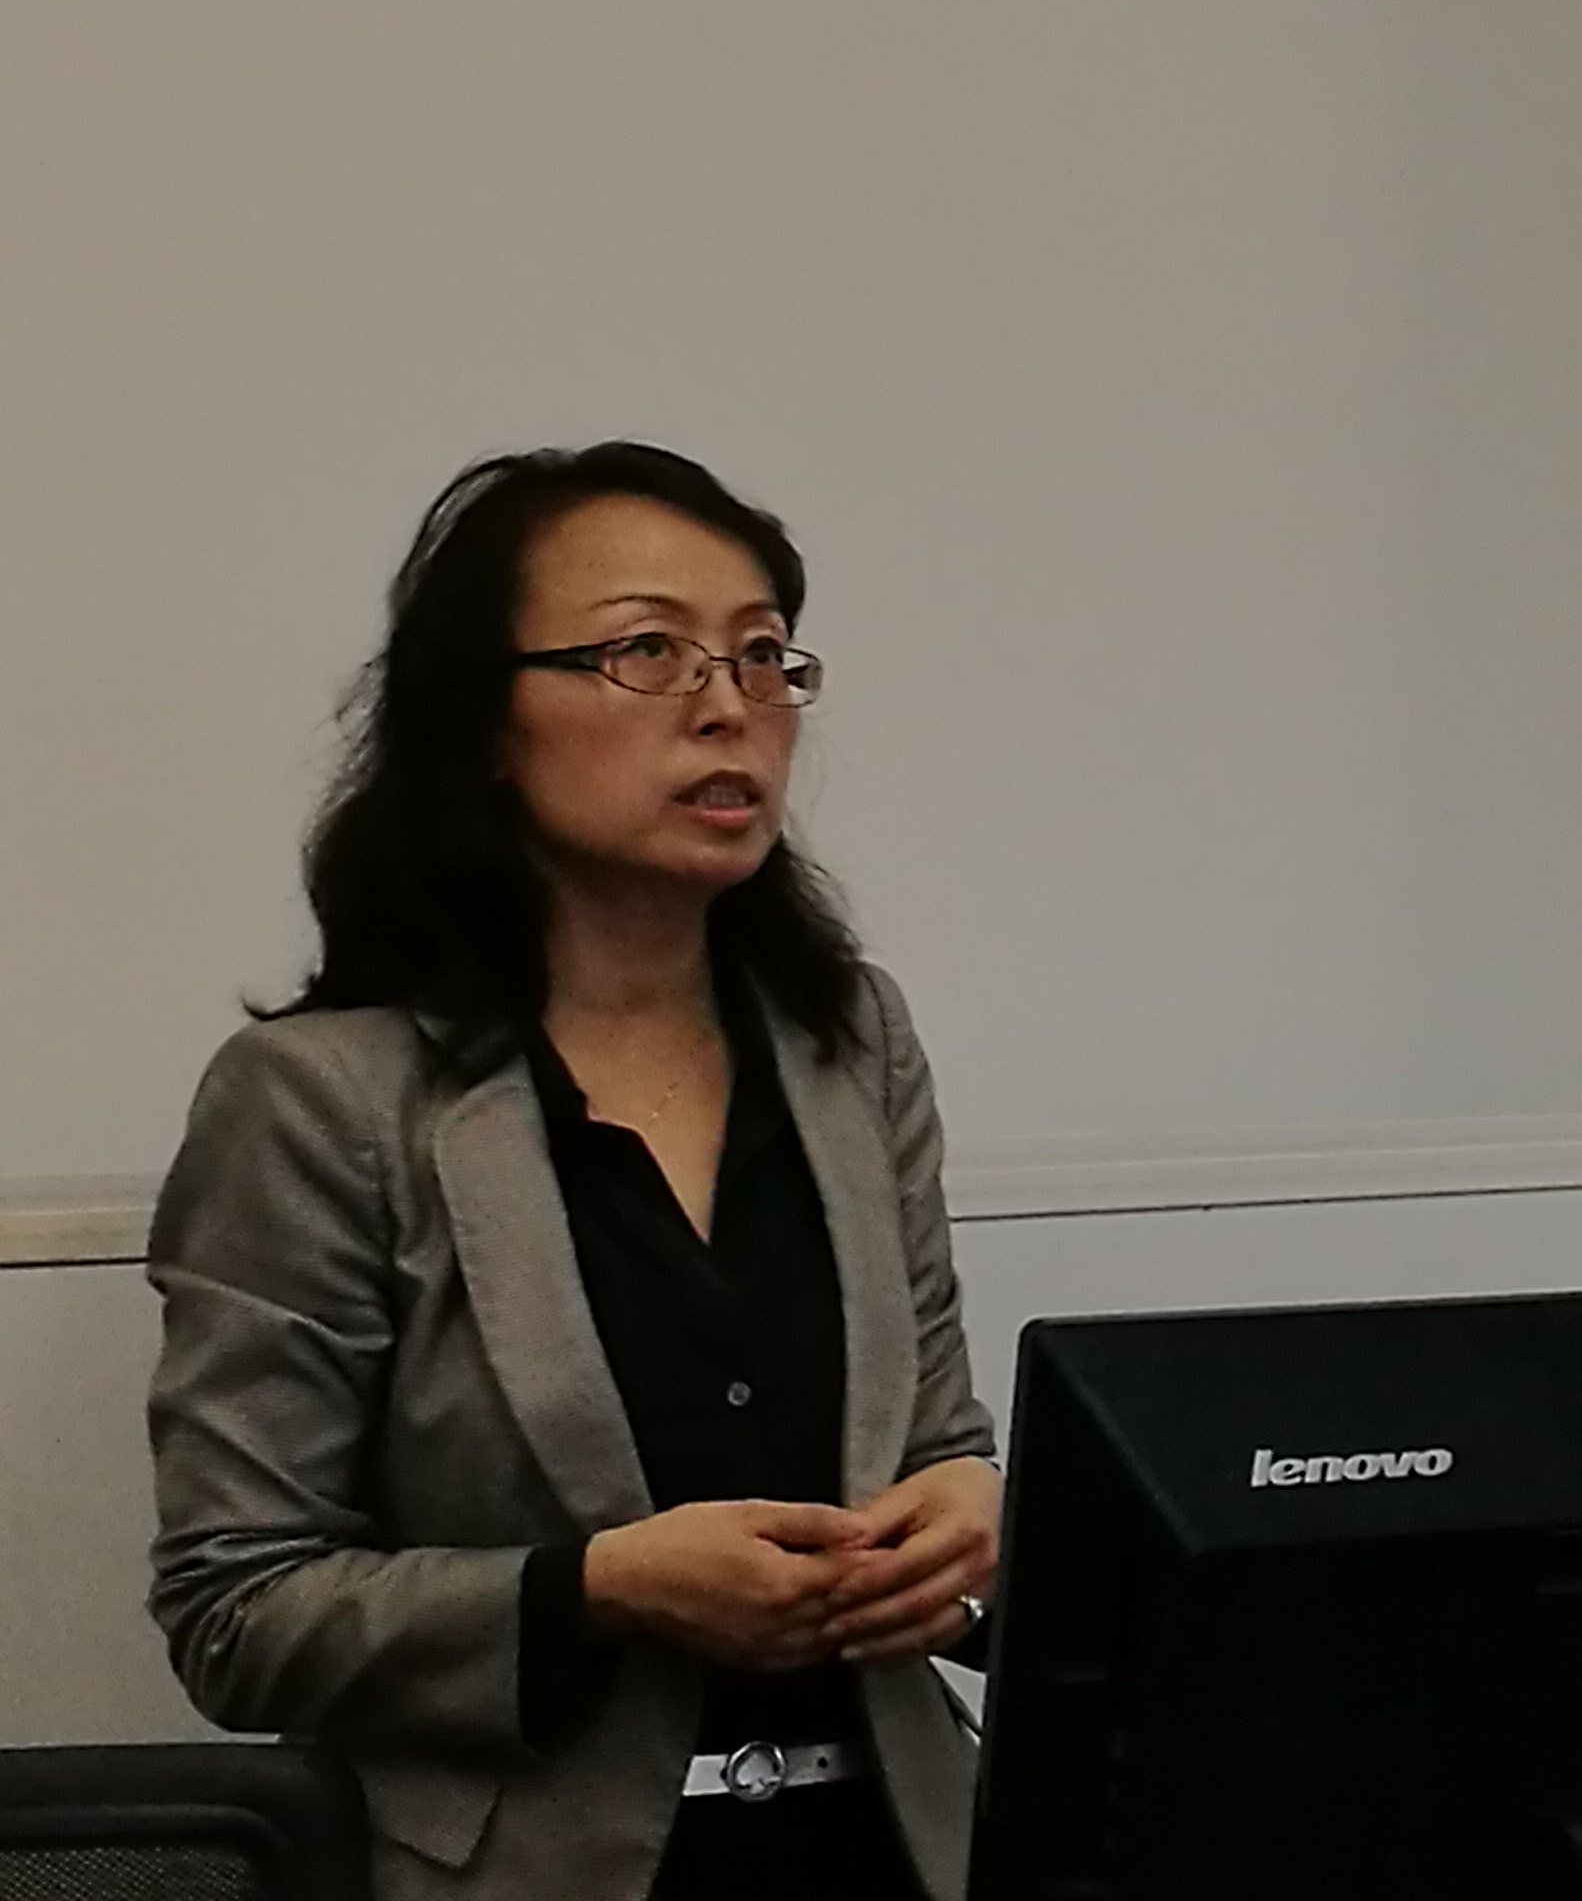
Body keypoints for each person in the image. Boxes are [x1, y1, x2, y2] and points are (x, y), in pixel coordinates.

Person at [145, 444, 1000, 1901]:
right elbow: (238, 1608)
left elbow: (935, 1441)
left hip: (895, 1849)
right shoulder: (324, 1099)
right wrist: (595, 1592)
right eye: (646, 651)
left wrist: (967, 1516)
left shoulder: (851, 1043)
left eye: (762, 656)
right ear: (483, 721)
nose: (728, 705)